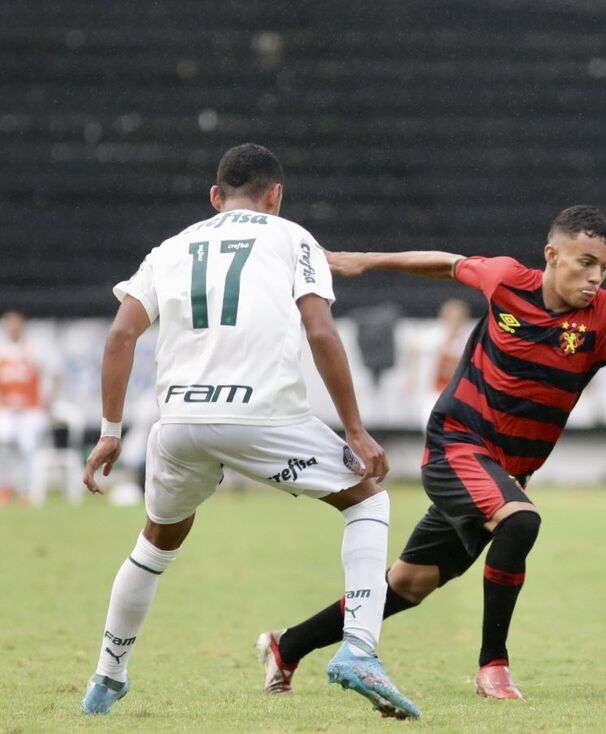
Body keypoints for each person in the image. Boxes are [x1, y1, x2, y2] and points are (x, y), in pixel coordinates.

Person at [255, 205, 606, 699]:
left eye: (604, 267)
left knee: (408, 584)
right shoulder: (507, 281)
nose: (595, 277)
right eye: (585, 262)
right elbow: (447, 263)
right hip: (455, 445)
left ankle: (286, 646)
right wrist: (366, 261)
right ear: (552, 255)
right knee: (521, 522)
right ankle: (493, 666)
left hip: (503, 473)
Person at [79, 143, 419, 719]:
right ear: (275, 197)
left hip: (180, 423)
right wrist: (356, 430)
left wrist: (111, 431)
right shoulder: (293, 238)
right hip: (263, 418)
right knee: (368, 503)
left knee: (155, 544)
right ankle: (359, 648)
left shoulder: (170, 248)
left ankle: (107, 678)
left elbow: (119, 337)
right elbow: (321, 332)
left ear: (216, 197)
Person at [0, 310, 55, 506]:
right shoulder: (2, 350)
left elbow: (54, 375)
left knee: (28, 449)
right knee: (4, 444)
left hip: (30, 409)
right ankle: (4, 487)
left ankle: (26, 490)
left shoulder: (34, 350)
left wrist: (49, 401)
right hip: (6, 409)